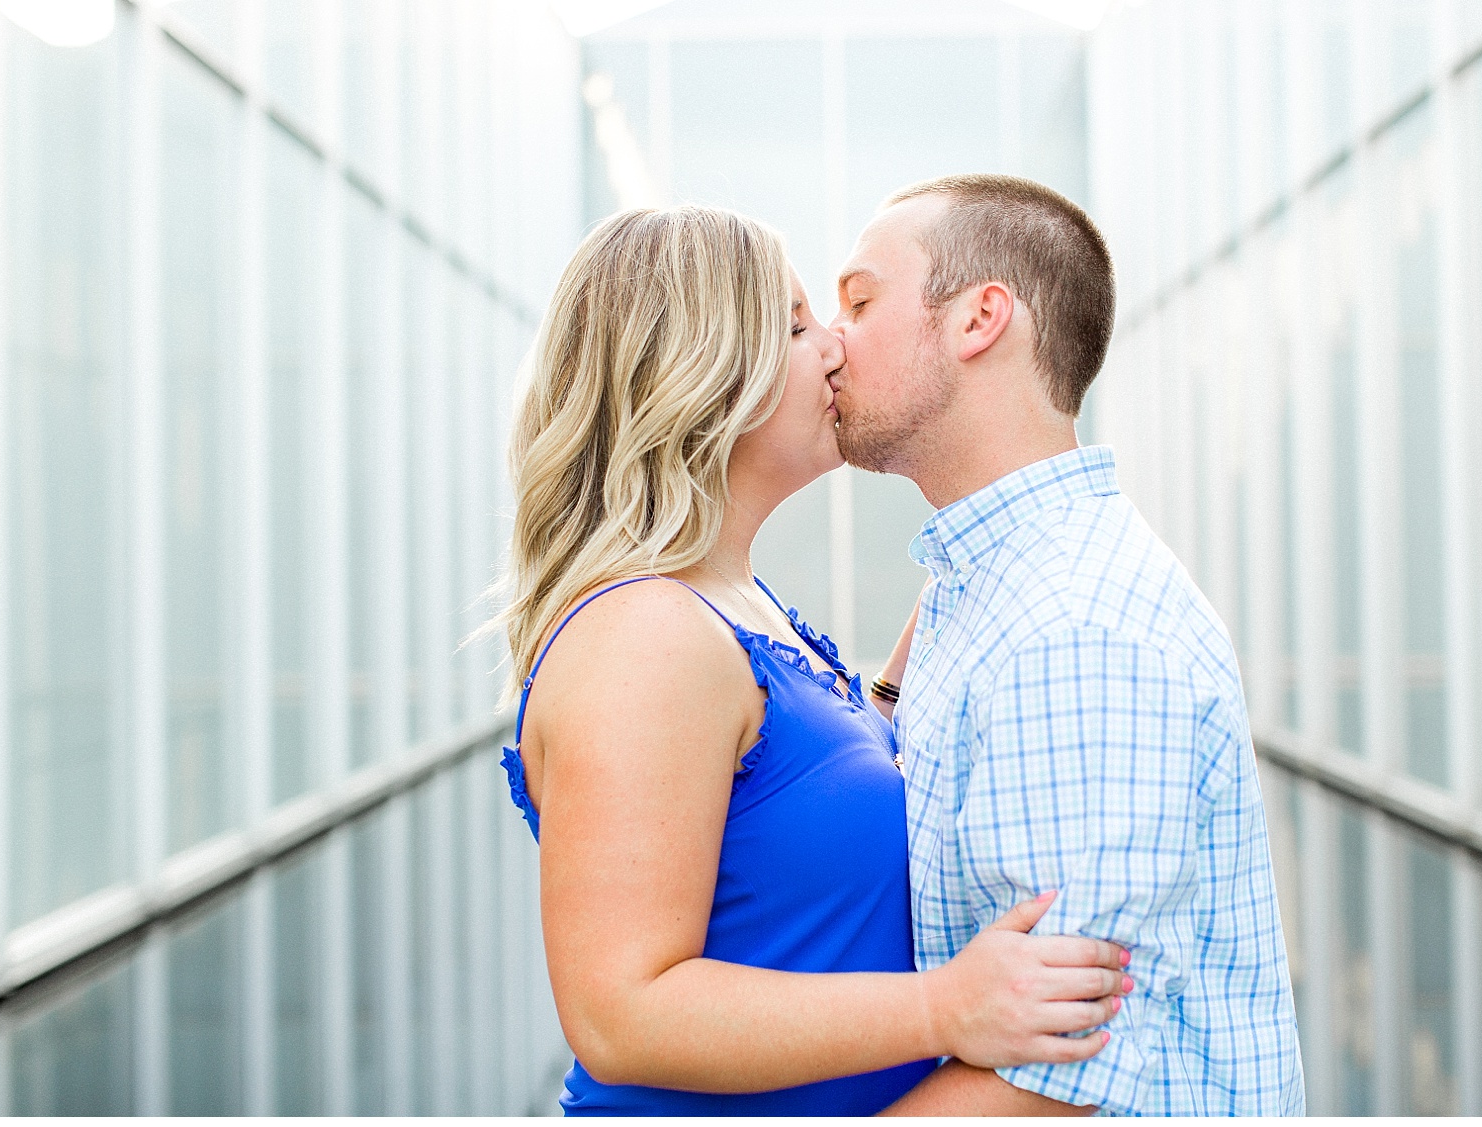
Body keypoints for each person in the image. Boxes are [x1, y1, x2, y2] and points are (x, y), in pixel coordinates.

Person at [489, 204, 1130, 1115]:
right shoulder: (644, 636)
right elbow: (622, 1013)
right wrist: (945, 1008)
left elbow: (791, 808)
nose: (833, 347)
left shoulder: (732, 604)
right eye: (795, 326)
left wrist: (967, 603)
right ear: (703, 372)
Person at [830, 174, 1306, 1116]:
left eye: (860, 301)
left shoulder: (1070, 629)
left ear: (979, 319)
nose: (830, 341)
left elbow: (1054, 1081)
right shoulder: (995, 591)